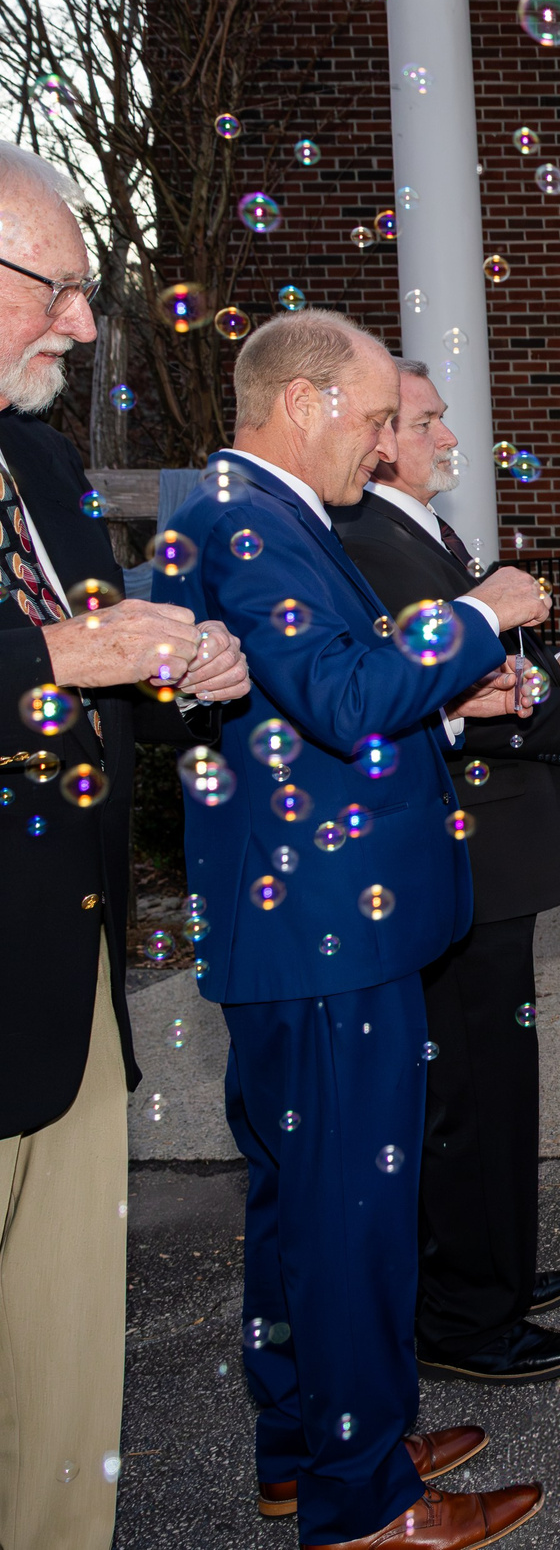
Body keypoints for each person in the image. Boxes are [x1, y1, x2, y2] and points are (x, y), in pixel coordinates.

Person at [161, 310, 546, 1548]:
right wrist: (477, 614)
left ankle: (315, 1441)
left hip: (315, 926)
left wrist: (447, 690)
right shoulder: (243, 514)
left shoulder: (263, 516)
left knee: (296, 1208)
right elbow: (339, 697)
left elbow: (322, 683)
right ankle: (365, 1500)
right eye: (378, 418)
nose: (386, 446)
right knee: (349, 1218)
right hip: (325, 935)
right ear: (306, 402)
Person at [0, 143, 249, 1550]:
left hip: (66, 974)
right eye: (65, 290)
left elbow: (97, 656)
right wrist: (59, 650)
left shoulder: (37, 454)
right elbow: (47, 651)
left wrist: (176, 672)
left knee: (65, 1367)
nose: (88, 326)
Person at [333, 359, 560, 1386]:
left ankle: (493, 1269)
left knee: (496, 1081)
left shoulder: (420, 534)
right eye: (428, 419)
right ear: (381, 440)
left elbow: (497, 661)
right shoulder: (373, 540)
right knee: (469, 1091)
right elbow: (461, 680)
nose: (449, 433)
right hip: (462, 848)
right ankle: (466, 1311)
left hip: (484, 851)